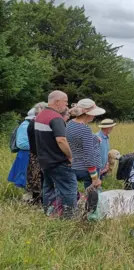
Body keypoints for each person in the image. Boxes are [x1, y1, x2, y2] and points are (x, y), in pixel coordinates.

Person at [35, 90, 76, 219]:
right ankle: (68, 218)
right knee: (69, 188)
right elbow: (61, 140)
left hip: (44, 161)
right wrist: (70, 156)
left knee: (48, 188)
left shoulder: (40, 116)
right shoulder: (56, 118)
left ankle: (49, 212)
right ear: (57, 102)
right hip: (58, 161)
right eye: (65, 102)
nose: (67, 106)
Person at [66, 99, 105, 190]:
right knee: (92, 197)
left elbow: (76, 141)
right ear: (88, 113)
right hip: (87, 168)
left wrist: (94, 138)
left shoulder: (70, 124)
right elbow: (88, 154)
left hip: (75, 164)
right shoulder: (85, 129)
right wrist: (95, 178)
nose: (94, 116)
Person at [26, 102, 48, 204]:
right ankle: (40, 201)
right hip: (38, 155)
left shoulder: (33, 122)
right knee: (39, 179)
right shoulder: (36, 123)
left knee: (37, 179)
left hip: (35, 155)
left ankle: (38, 201)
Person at [8, 108, 35, 188]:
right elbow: (22, 144)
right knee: (25, 179)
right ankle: (28, 197)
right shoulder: (25, 125)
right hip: (25, 155)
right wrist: (38, 147)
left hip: (28, 154)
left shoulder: (27, 124)